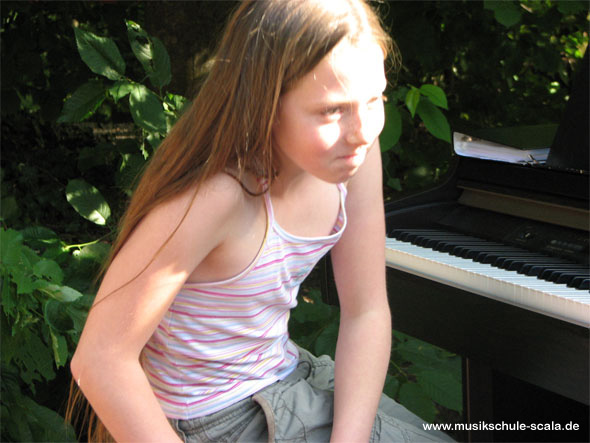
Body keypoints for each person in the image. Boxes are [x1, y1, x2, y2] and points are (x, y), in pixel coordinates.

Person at [68, 0, 453, 441]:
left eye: (375, 99)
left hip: (281, 371)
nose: (362, 131)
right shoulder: (217, 197)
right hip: (215, 418)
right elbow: (101, 359)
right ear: (266, 101)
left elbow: (366, 311)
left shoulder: (355, 156)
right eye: (332, 110)